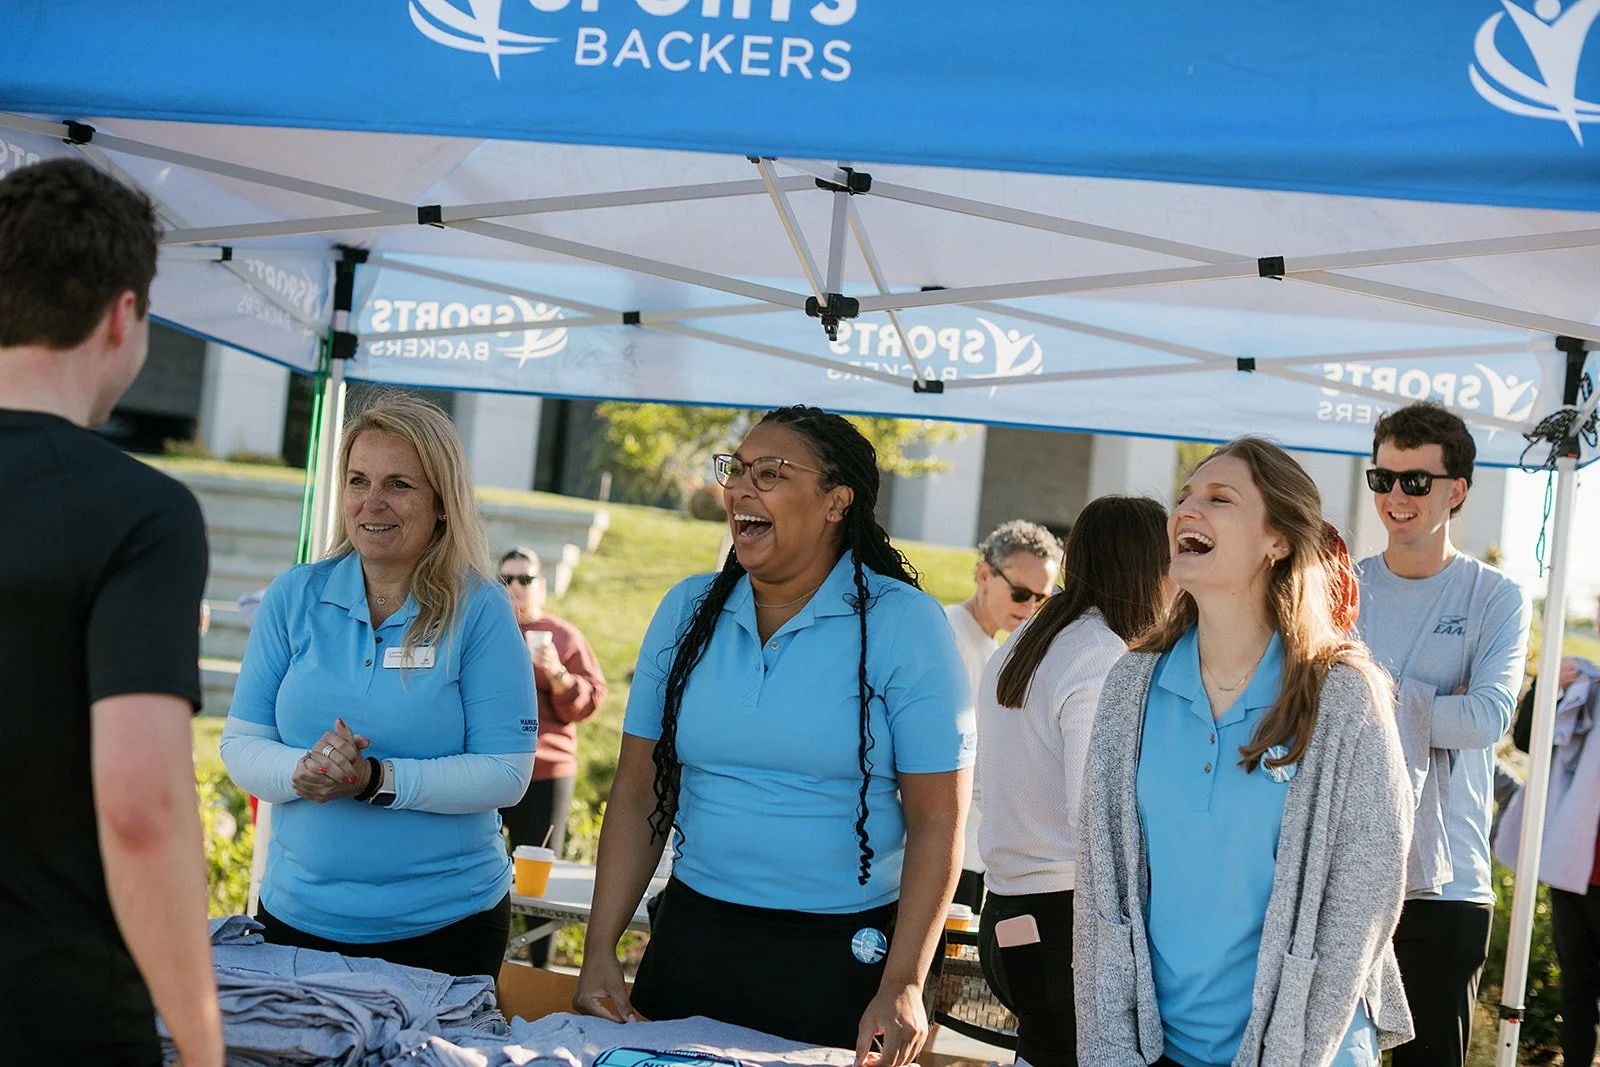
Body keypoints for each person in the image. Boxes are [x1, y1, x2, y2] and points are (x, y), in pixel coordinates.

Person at [574, 406, 973, 1065]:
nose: (739, 489)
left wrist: (903, 982)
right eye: (736, 470)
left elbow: (939, 819)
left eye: (770, 473)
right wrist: (598, 949)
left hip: (841, 958)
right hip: (693, 937)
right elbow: (640, 787)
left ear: (836, 501)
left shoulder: (906, 624)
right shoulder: (687, 610)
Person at [1075, 437, 1414, 1067]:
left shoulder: (1343, 695)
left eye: (1218, 498)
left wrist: (1293, 1055)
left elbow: (1362, 900)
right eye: (1184, 497)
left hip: (1303, 1051)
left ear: (1277, 540)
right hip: (1159, 1050)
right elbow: (1102, 889)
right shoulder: (1131, 683)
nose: (1186, 511)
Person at [0, 159, 222, 1067]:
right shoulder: (141, 514)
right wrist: (205, 1050)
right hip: (54, 1012)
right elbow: (141, 809)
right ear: (124, 316)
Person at [221, 396, 537, 979]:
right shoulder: (295, 595)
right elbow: (240, 746)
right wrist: (302, 771)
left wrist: (376, 780)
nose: (373, 502)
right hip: (294, 920)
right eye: (358, 480)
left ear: (442, 503)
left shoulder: (481, 608)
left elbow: (506, 772)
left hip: (445, 930)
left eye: (399, 484)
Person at [1353, 402, 1530, 1067]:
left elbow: (1487, 718)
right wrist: (1429, 709)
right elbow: (1315, 711)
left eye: (1415, 481)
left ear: (1456, 490)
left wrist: (1373, 699)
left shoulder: (1496, 597)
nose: (1395, 496)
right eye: (1383, 478)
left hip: (1447, 884)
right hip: (1351, 872)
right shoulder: (1346, 587)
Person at [975, 496, 1169, 1066]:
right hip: (1067, 927)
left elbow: (987, 789)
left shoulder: (1023, 642)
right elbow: (1096, 814)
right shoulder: (1102, 655)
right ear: (1144, 569)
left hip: (1007, 913)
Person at [1496, 591, 1600, 1067]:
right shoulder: (1585, 684)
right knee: (1576, 993)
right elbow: (1524, 740)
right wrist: (1546, 688)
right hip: (1573, 869)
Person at [497, 545, 607, 965]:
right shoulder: (490, 630)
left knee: (537, 879)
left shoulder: (562, 635)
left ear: (539, 584)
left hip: (546, 770)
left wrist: (558, 673)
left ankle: (538, 970)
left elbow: (590, 702)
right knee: (482, 872)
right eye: (505, 579)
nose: (514, 588)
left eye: (523, 579)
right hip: (494, 768)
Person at [946, 520, 1062, 912]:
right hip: (946, 852)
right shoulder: (950, 636)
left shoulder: (995, 648)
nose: (1030, 609)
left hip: (977, 853)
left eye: (1043, 600)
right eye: (1019, 594)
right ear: (983, 575)